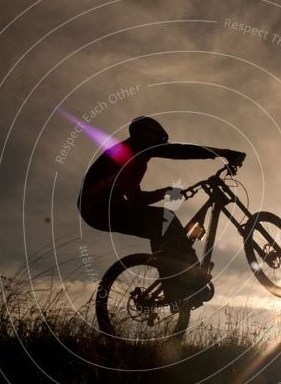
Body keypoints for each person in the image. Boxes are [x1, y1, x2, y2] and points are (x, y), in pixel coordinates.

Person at [77, 116, 245, 304]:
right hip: (98, 206)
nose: (155, 142)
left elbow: (136, 199)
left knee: (160, 230)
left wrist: (164, 192)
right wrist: (224, 153)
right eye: (152, 135)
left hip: (95, 210)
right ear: (142, 133)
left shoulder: (136, 162)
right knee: (165, 219)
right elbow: (180, 151)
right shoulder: (131, 149)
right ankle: (190, 277)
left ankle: (175, 289)